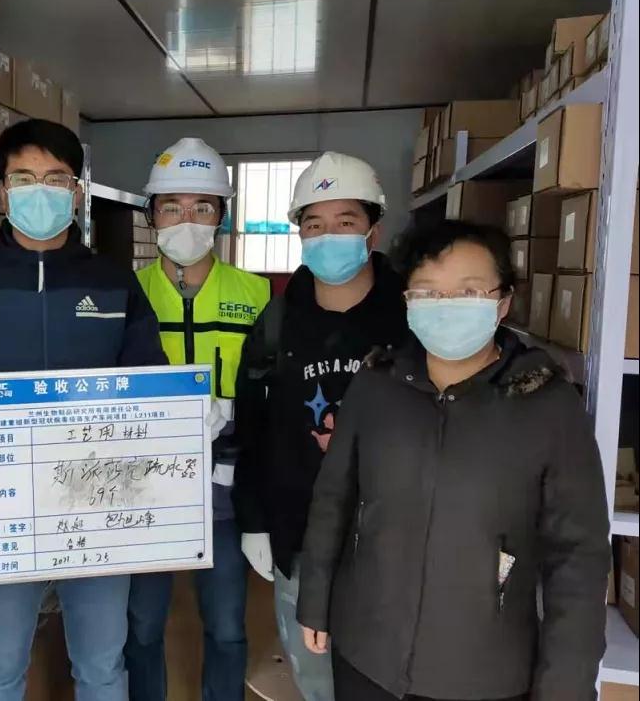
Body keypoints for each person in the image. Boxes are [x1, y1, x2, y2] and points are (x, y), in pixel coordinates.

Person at [296, 219, 609, 701]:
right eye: (427, 292)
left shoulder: (546, 404)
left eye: (468, 291)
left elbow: (578, 556)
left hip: (483, 672)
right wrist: (315, 599)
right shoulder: (377, 384)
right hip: (367, 653)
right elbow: (333, 496)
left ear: (502, 302)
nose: (445, 305)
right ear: (408, 302)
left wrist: (566, 684)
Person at [0, 118, 168, 701]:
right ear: (3, 191)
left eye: (55, 178)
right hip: (3, 509)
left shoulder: (114, 284)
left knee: (102, 665)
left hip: (98, 505)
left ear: (76, 191)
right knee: (0, 667)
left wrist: (181, 414)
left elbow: (147, 377)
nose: (40, 190)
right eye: (24, 178)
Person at [232, 151, 407, 701]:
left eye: (345, 222)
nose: (328, 236)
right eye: (314, 224)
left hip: (397, 540)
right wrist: (254, 521)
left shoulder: (412, 316)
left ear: (374, 230)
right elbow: (252, 429)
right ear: (300, 234)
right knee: (316, 679)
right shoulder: (276, 323)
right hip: (301, 536)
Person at [125, 138, 271, 701]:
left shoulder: (257, 294)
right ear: (151, 216)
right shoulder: (125, 294)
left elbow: (271, 392)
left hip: (226, 485)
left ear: (222, 217)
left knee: (228, 624)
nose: (187, 220)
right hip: (145, 486)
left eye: (202, 207)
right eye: (172, 207)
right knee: (142, 624)